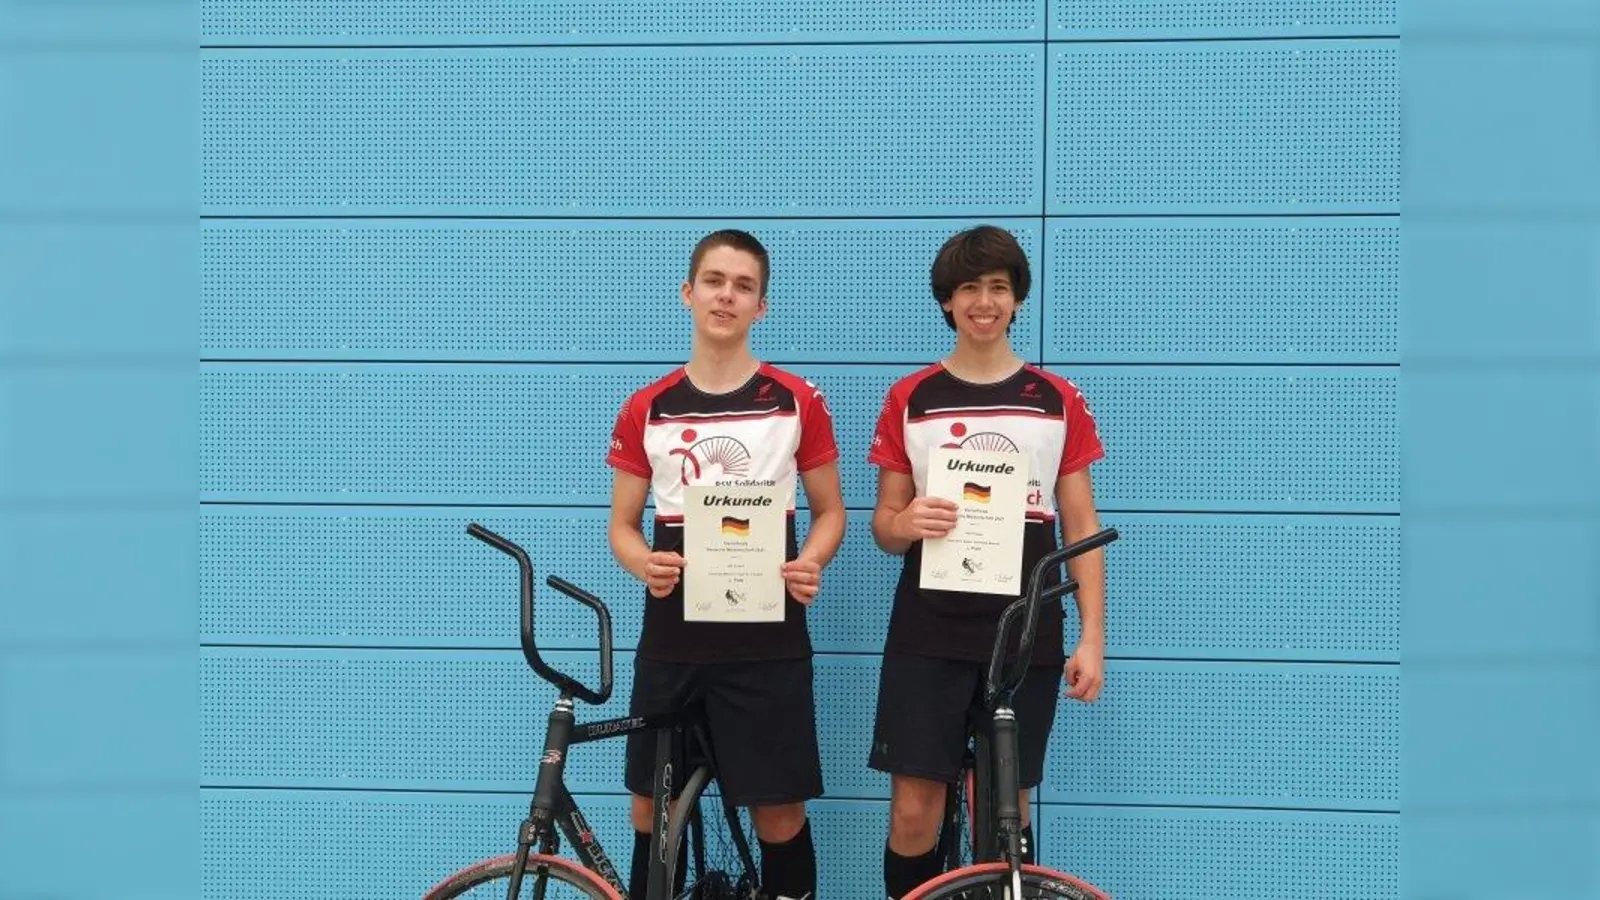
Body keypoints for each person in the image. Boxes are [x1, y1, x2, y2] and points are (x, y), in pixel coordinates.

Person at [865, 225, 1108, 899]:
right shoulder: (910, 397)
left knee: (1009, 808)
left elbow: (1080, 525)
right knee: (915, 808)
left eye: (998, 288)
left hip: (1025, 626)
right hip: (928, 627)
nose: (984, 301)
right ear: (947, 301)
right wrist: (905, 522)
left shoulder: (1056, 398)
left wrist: (1092, 636)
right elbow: (884, 526)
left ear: (1017, 300)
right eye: (969, 288)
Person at [606, 229, 846, 900]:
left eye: (743, 286)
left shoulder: (797, 400)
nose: (726, 295)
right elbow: (622, 528)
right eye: (714, 281)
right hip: (673, 640)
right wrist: (642, 563)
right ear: (688, 293)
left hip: (767, 641)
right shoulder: (646, 407)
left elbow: (831, 512)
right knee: (650, 812)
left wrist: (812, 561)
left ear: (760, 306)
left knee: (779, 812)